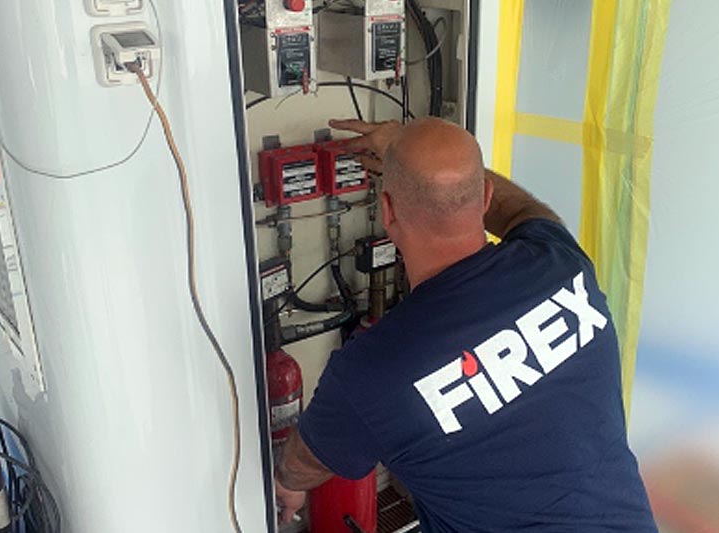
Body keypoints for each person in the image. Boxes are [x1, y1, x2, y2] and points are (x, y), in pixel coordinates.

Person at [274, 117, 656, 532]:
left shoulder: (373, 371)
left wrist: (285, 482)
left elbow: (302, 468)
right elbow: (526, 211)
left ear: (387, 211)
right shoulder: (559, 263)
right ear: (487, 195)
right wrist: (444, 172)